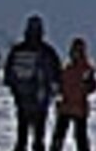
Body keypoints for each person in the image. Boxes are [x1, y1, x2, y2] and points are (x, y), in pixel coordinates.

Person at [4, 15, 63, 151]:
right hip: (41, 100)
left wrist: (16, 91)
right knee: (38, 136)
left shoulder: (17, 50)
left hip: (22, 99)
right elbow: (57, 75)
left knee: (22, 135)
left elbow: (8, 76)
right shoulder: (48, 51)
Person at [51, 37, 96, 151]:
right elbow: (60, 86)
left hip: (77, 106)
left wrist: (86, 86)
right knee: (60, 135)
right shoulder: (68, 69)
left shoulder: (85, 69)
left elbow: (92, 86)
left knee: (79, 137)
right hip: (68, 106)